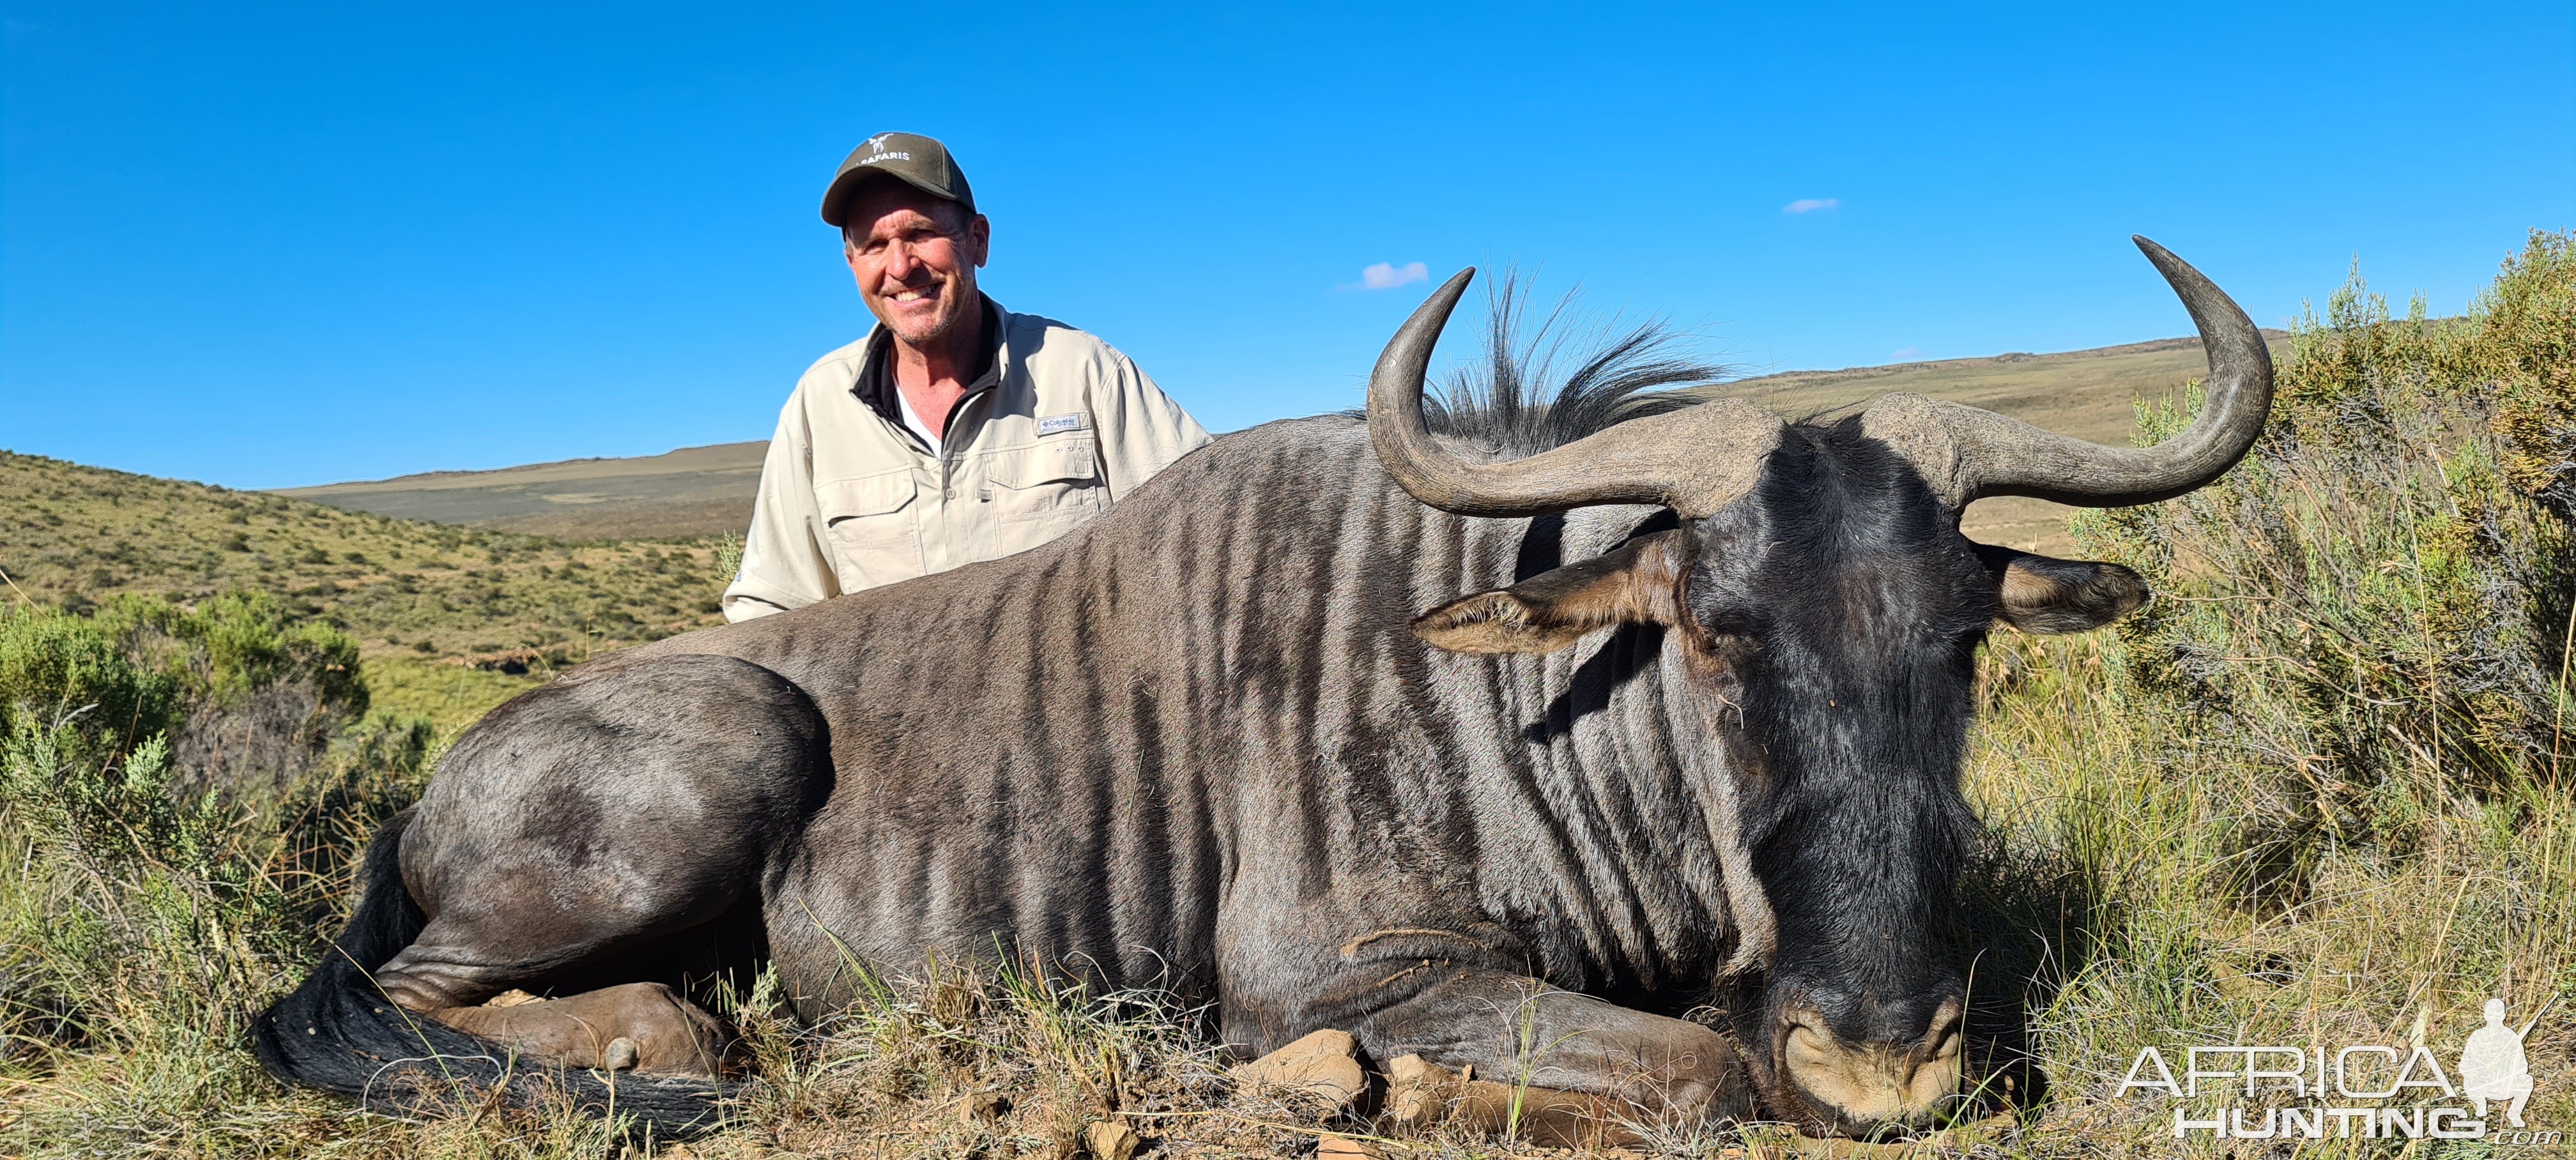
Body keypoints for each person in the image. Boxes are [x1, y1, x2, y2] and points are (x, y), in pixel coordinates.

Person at [723, 132, 1210, 620]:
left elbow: (1209, 533)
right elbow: (771, 606)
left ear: (977, 241)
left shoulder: (1084, 370)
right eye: (874, 245)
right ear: (852, 264)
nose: (901, 266)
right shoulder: (820, 403)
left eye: (921, 234)